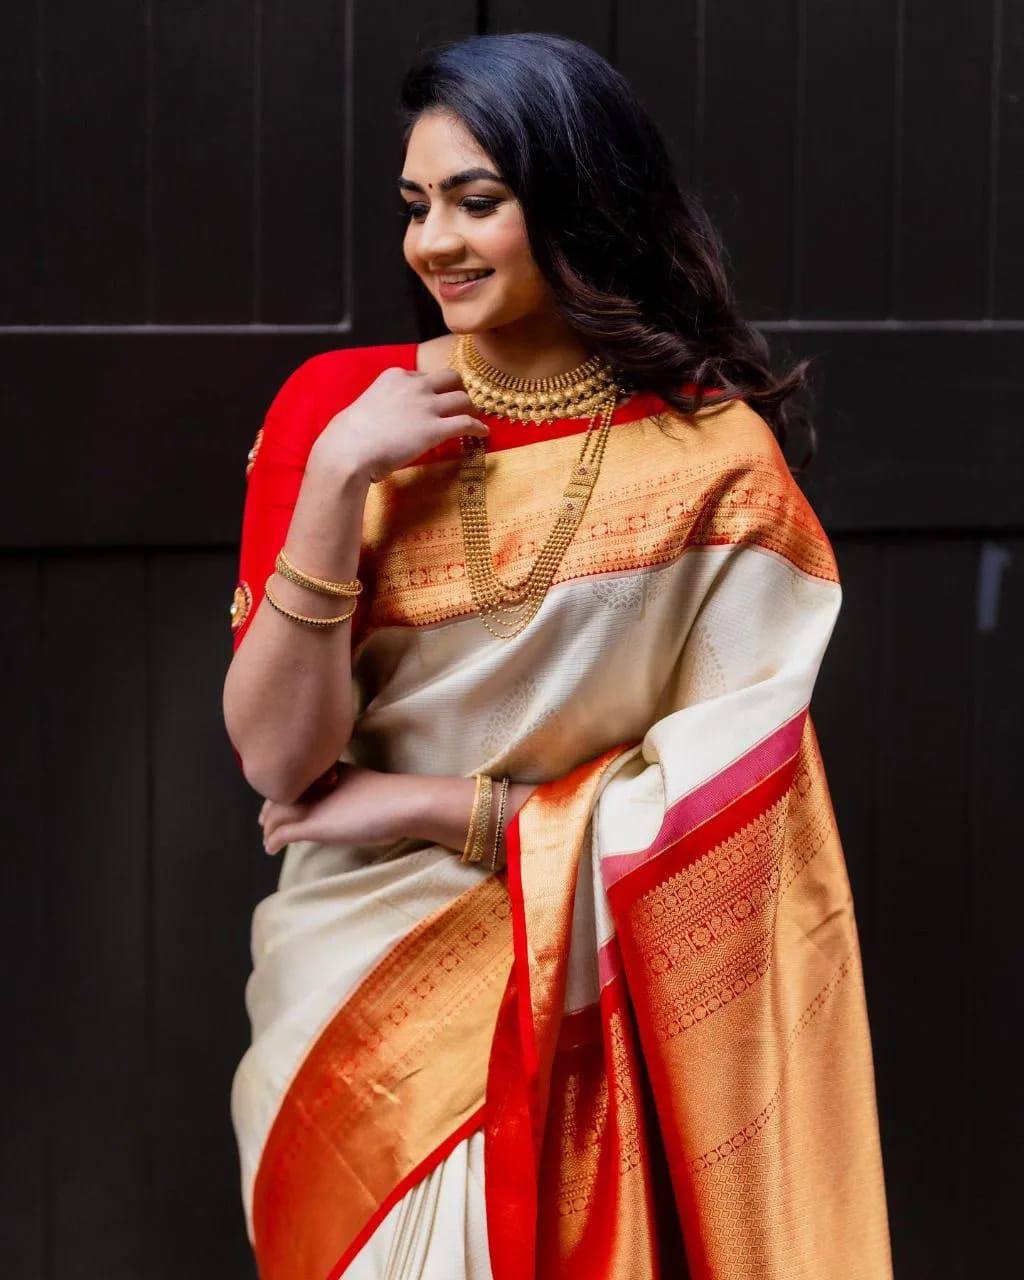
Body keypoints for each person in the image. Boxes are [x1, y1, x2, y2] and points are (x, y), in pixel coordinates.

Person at [223, 31, 893, 1280]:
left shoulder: (714, 461)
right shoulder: (339, 413)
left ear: (581, 199)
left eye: (478, 202)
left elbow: (727, 814)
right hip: (349, 992)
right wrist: (334, 478)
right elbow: (275, 754)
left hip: (586, 986)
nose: (435, 243)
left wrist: (439, 806)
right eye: (417, 207)